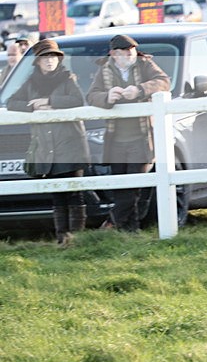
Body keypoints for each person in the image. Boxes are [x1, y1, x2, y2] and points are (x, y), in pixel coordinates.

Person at [7, 40, 90, 246]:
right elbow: (11, 103)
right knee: (58, 196)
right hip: (47, 146)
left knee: (75, 194)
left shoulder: (68, 78)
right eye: (45, 57)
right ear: (38, 61)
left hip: (70, 144)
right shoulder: (30, 83)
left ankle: (76, 239)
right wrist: (33, 106)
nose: (50, 61)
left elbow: (78, 100)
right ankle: (62, 238)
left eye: (53, 56)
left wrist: (49, 102)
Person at [87, 34, 170, 231]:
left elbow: (163, 81)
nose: (129, 55)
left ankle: (110, 223)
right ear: (113, 54)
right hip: (115, 139)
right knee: (122, 187)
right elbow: (91, 95)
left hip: (141, 138)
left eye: (131, 51)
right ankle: (131, 230)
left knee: (133, 186)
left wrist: (140, 90)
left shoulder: (145, 64)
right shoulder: (104, 70)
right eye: (124, 52)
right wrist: (107, 97)